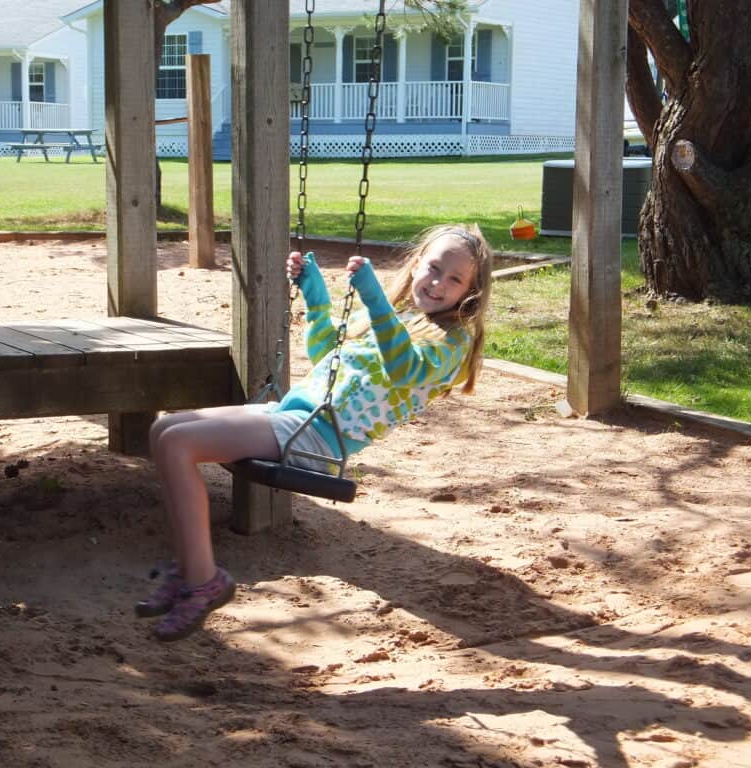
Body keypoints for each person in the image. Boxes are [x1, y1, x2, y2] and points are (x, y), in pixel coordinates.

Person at [139, 223, 494, 641]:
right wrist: (314, 293)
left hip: (318, 437)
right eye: (434, 268)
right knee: (165, 428)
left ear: (469, 292)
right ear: (417, 265)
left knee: (180, 445)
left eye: (455, 279)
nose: (438, 283)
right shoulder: (399, 317)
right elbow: (329, 353)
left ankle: (204, 581)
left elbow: (404, 369)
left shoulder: (451, 344)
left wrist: (375, 298)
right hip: (296, 414)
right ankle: (191, 567)